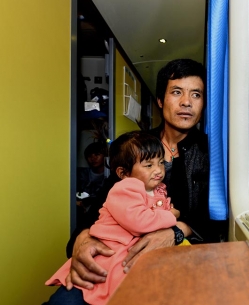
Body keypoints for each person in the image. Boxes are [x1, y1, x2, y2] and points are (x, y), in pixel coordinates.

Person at [44, 59, 224, 305]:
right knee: (65, 302)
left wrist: (176, 231)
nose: (186, 102)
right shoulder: (136, 145)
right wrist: (82, 238)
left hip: (175, 261)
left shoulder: (214, 152)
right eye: (177, 92)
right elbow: (104, 200)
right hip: (116, 254)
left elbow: (218, 218)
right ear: (160, 100)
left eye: (196, 94)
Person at [46, 131, 188, 305]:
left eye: (161, 162)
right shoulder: (124, 188)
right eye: (149, 165)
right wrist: (171, 216)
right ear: (123, 173)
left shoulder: (158, 188)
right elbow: (140, 222)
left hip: (136, 256)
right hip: (112, 254)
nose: (158, 170)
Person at [76, 142, 107, 210]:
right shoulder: (81, 174)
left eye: (97, 154)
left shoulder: (110, 176)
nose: (93, 158)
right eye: (89, 156)